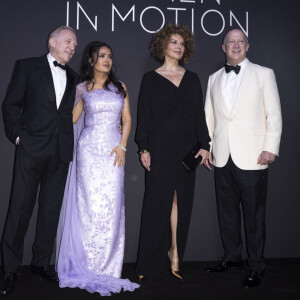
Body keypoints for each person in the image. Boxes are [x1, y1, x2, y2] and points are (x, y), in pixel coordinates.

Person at [55, 41, 139, 296]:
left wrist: (122, 145)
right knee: (88, 206)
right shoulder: (82, 87)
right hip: (89, 152)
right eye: (101, 56)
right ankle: (86, 264)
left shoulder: (120, 87)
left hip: (114, 152)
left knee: (111, 207)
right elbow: (72, 119)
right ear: (91, 60)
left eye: (110, 56)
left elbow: (127, 119)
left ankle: (108, 267)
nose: (107, 60)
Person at [0, 26, 79, 295]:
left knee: (50, 211)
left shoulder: (74, 77)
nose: (72, 47)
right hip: (31, 149)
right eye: (68, 41)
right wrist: (18, 137)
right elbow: (10, 104)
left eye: (75, 44)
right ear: (52, 42)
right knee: (19, 209)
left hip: (60, 152)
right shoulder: (27, 67)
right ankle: (9, 269)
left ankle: (41, 262)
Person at [204, 28, 282, 288]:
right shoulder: (213, 78)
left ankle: (256, 265)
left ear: (247, 46)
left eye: (241, 42)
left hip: (254, 156)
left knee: (254, 216)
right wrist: (209, 148)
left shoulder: (264, 74)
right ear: (223, 47)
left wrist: (271, 147)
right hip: (222, 157)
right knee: (226, 213)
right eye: (231, 42)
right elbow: (209, 118)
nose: (236, 46)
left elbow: (274, 114)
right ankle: (232, 256)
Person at [135, 24, 211, 282]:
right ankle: (147, 260)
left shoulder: (192, 79)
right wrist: (143, 147)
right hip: (159, 148)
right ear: (163, 46)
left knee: (181, 202)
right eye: (174, 42)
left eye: (182, 44)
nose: (179, 47)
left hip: (187, 149)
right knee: (156, 204)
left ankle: (175, 253)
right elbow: (143, 116)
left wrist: (205, 144)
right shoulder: (150, 78)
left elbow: (199, 115)